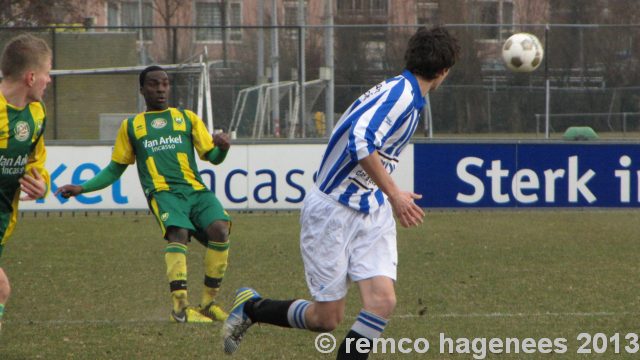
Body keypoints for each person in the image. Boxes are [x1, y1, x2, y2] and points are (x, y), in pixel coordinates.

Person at [222, 26, 460, 358]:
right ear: (445, 70)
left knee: (382, 302)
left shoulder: (406, 94)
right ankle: (252, 307)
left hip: (370, 208)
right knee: (326, 318)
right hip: (333, 209)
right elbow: (360, 140)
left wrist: (384, 195)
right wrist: (394, 194)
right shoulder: (402, 96)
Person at [56, 65, 231, 324]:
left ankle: (207, 303)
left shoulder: (187, 118)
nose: (160, 89)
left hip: (195, 191)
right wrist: (83, 187)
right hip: (163, 193)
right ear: (141, 89)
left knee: (220, 229)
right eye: (153, 84)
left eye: (164, 83)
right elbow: (115, 169)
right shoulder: (131, 127)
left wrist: (223, 148)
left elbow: (212, 157)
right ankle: (181, 310)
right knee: (178, 234)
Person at [0, 33, 53, 331]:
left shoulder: (36, 113)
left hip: (4, 217)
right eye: (47, 73)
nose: (49, 80)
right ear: (31, 77)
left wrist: (41, 182)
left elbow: (36, 159)